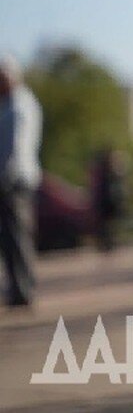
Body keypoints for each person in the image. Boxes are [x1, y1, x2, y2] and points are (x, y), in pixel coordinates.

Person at [0, 55, 42, 309]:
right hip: (11, 178)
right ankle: (18, 289)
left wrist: (5, 177)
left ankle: (24, 290)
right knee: (10, 238)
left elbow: (15, 148)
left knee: (17, 237)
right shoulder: (10, 103)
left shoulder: (19, 105)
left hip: (14, 181)